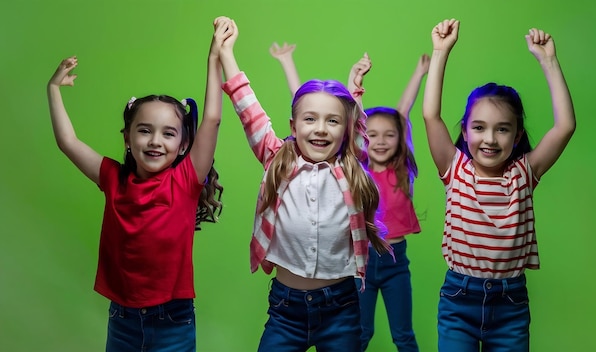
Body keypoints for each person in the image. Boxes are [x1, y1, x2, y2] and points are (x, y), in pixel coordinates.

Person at [46, 17, 231, 351]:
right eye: (144, 130)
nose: (155, 141)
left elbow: (213, 119)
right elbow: (68, 142)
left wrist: (214, 57)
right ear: (128, 139)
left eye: (168, 133)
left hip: (173, 321)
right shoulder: (112, 178)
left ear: (183, 145)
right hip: (123, 320)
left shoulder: (186, 180)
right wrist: (53, 89)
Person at [220, 18, 391, 352]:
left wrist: (354, 89)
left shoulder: (349, 166)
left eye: (332, 121)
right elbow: (247, 109)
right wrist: (227, 52)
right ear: (293, 126)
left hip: (341, 308)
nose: (321, 129)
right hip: (286, 309)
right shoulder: (277, 159)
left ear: (345, 129)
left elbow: (358, 127)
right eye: (310, 119)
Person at [422, 19, 576, 351]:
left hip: (510, 305)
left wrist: (548, 61)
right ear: (465, 132)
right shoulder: (455, 168)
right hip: (458, 300)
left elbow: (564, 126)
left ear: (517, 135)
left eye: (503, 129)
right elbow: (430, 116)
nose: (490, 139)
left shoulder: (524, 173)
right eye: (479, 127)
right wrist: (440, 52)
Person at [352, 53, 430, 352]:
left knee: (403, 335)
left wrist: (420, 72)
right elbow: (357, 126)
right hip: (363, 262)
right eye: (372, 135)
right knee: (361, 334)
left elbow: (404, 112)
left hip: (397, 261)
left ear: (400, 139)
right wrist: (357, 86)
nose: (381, 141)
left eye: (389, 135)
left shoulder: (402, 170)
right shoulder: (359, 170)